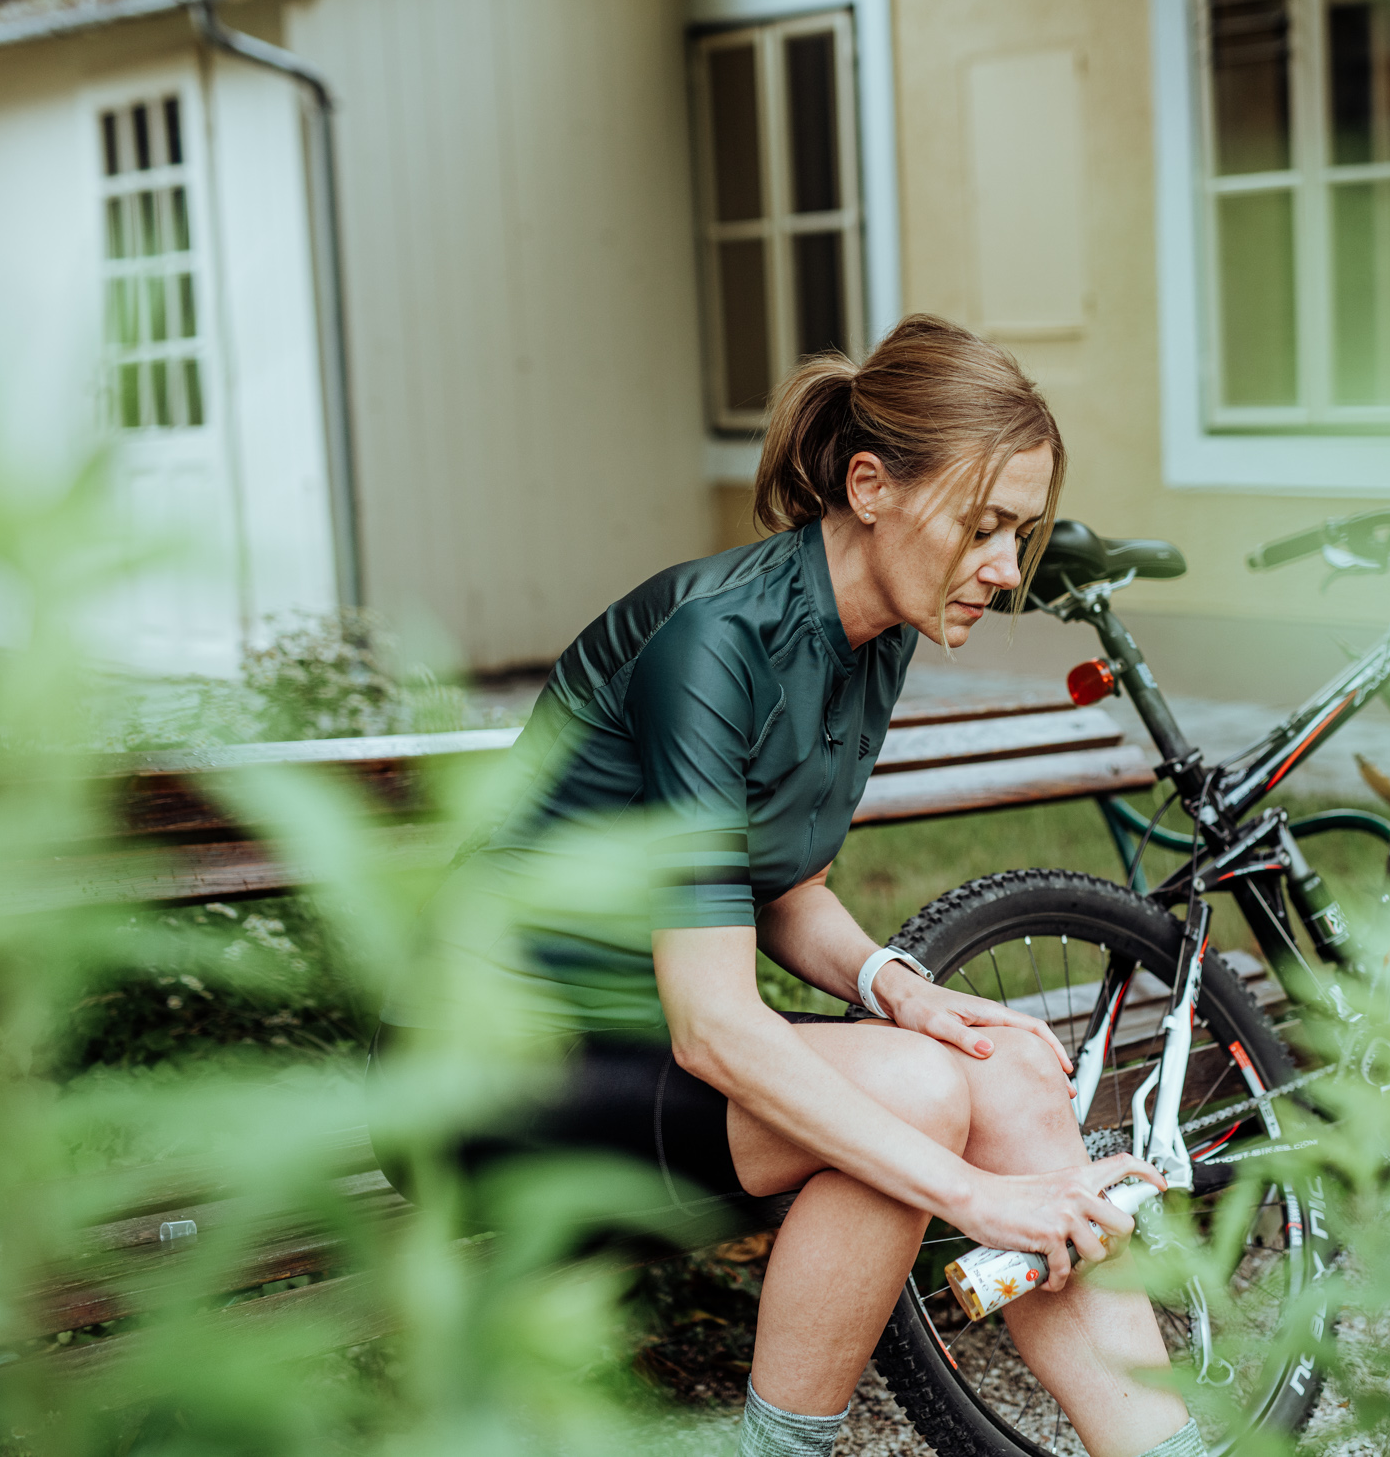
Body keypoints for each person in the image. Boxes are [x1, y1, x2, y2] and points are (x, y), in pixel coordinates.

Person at [374, 315, 1201, 1457]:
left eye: (1020, 533)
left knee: (996, 1064)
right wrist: (979, 1202)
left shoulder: (875, 631)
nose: (1007, 572)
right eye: (985, 526)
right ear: (870, 485)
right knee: (912, 1099)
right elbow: (716, 1028)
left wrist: (897, 986)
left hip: (640, 1054)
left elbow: (780, 883)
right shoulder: (713, 641)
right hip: (486, 1068)